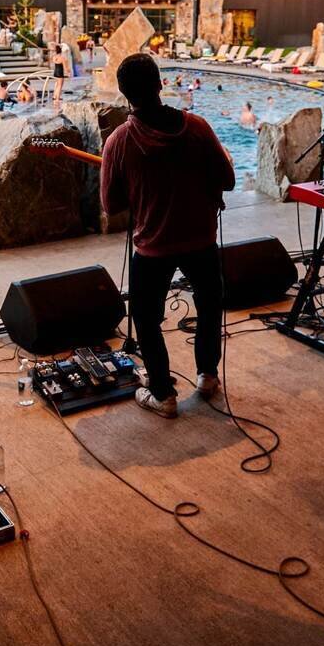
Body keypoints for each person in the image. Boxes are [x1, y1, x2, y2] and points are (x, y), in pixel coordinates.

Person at [100, 53, 236, 418]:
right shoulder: (198, 127)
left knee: (146, 318)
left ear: (124, 94)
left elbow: (110, 205)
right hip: (202, 239)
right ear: (161, 84)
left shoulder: (120, 141)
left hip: (153, 246)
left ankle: (162, 393)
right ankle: (208, 375)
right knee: (209, 307)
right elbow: (228, 179)